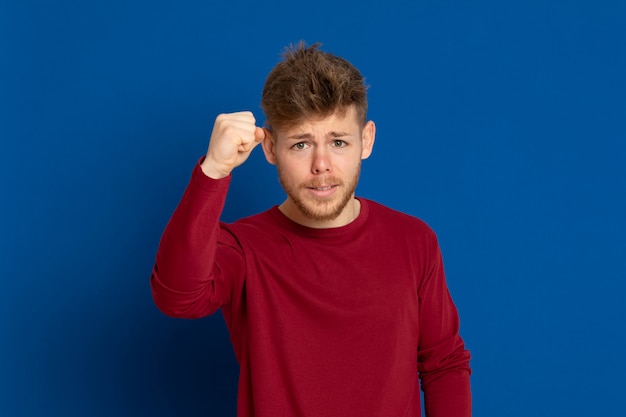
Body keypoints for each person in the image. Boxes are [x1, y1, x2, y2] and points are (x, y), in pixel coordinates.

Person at [151, 42, 471, 417]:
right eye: (301, 144)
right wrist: (213, 172)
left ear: (366, 140)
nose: (322, 165)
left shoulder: (414, 241)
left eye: (338, 142)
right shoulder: (242, 248)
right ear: (270, 148)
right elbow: (177, 297)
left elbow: (444, 363)